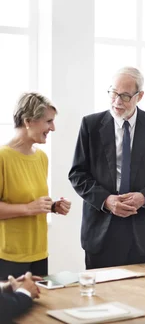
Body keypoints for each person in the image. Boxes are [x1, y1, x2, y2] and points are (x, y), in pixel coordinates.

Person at [69, 66, 145, 269]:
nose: (117, 101)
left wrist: (144, 197)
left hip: (143, 231)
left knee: (142, 298)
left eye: (126, 96)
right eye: (113, 93)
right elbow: (77, 174)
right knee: (102, 298)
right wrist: (106, 200)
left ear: (140, 96)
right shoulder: (90, 125)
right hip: (101, 229)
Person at [0, 93, 71, 280]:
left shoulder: (41, 157)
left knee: (39, 307)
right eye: (48, 121)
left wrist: (53, 207)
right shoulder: (2, 157)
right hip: (8, 256)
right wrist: (28, 208)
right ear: (28, 121)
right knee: (13, 308)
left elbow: (30, 198)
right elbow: (27, 205)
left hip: (39, 253)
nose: (52, 128)